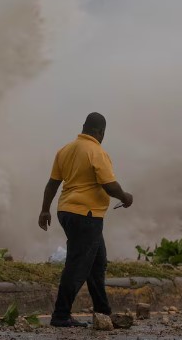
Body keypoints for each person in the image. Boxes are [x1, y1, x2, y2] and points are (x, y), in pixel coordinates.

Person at [39, 112, 133, 327]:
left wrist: (45, 210)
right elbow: (110, 186)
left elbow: (52, 184)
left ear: (83, 127)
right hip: (86, 215)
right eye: (103, 133)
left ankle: (103, 312)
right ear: (101, 132)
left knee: (97, 263)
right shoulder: (96, 151)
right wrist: (126, 197)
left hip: (67, 211)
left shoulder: (65, 150)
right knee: (78, 265)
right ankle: (61, 315)